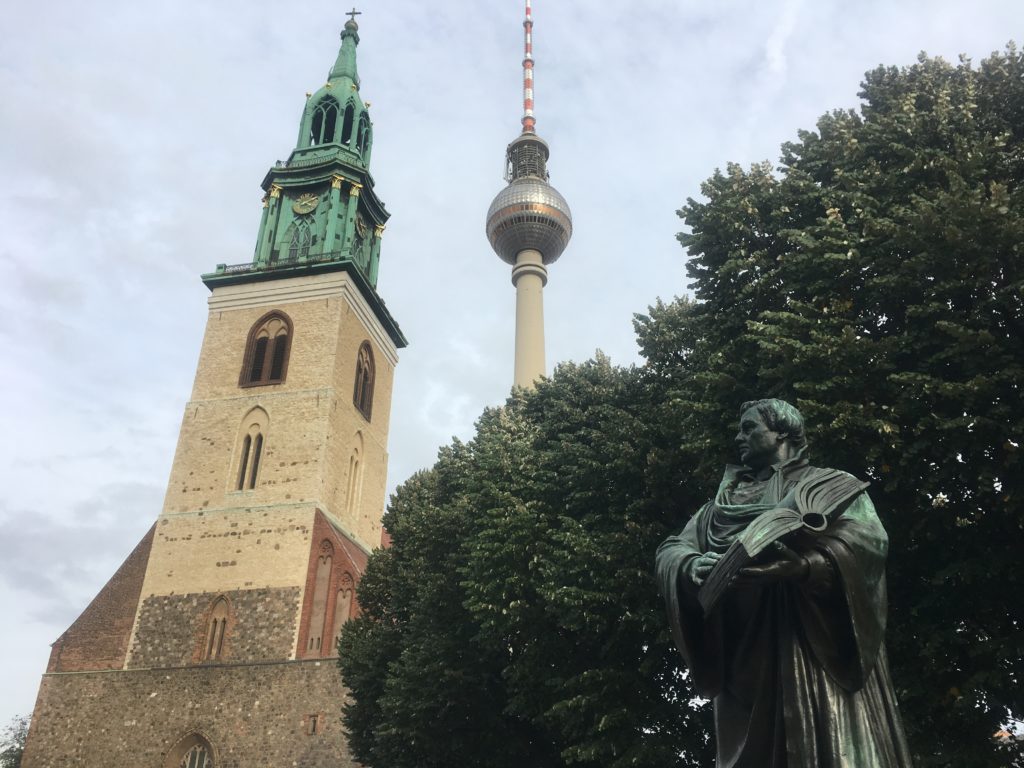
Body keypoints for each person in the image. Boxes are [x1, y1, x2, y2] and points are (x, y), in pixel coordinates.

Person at [655, 399, 913, 767]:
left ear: (782, 432)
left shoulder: (828, 486)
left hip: (807, 642)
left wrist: (806, 566)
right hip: (743, 655)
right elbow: (672, 547)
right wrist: (689, 564)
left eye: (749, 428)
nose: (738, 436)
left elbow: (869, 542)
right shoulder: (718, 506)